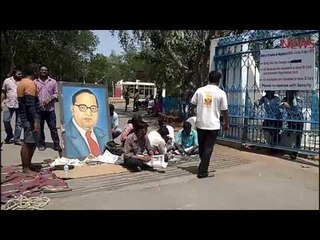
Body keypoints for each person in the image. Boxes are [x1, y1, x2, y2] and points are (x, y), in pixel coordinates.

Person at [190, 70, 229, 179]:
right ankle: (202, 172)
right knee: (208, 148)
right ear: (219, 80)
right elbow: (225, 110)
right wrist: (226, 123)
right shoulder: (221, 93)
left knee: (202, 147)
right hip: (213, 124)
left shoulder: (200, 91)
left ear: (209, 79)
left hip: (201, 123)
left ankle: (203, 166)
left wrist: (196, 113)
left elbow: (192, 104)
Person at [63, 89, 111, 160]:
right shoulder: (65, 134)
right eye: (82, 107)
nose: (89, 113)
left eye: (93, 108)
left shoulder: (105, 134)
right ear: (72, 109)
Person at [17, 64, 41, 173]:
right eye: (37, 70)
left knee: (32, 142)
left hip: (25, 116)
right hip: (29, 118)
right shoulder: (29, 84)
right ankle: (25, 168)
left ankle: (28, 164)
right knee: (28, 142)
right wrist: (35, 120)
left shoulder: (22, 82)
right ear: (34, 71)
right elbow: (30, 104)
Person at [34, 65, 62, 152]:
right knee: (40, 128)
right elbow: (33, 94)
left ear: (48, 71)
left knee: (53, 128)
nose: (43, 71)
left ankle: (56, 144)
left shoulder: (53, 82)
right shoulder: (34, 82)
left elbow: (56, 94)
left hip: (50, 110)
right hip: (39, 110)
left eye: (45, 70)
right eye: (42, 70)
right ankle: (41, 144)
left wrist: (49, 100)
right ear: (39, 71)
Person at [1, 67, 23, 145]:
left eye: (21, 74)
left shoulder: (23, 81)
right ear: (14, 74)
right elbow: (3, 92)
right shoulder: (7, 81)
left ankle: (17, 139)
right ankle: (10, 134)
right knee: (5, 120)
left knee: (19, 123)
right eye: (19, 74)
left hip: (20, 105)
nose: (20, 75)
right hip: (8, 103)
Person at [282, 90, 303, 160]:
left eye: (291, 93)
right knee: (290, 134)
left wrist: (289, 107)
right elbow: (280, 105)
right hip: (290, 120)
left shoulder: (297, 99)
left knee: (298, 136)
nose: (289, 94)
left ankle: (295, 152)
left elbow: (296, 109)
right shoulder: (285, 99)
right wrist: (283, 104)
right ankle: (290, 149)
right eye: (288, 93)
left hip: (298, 120)